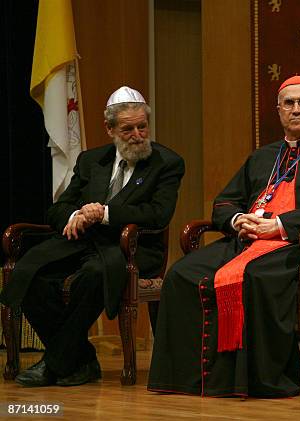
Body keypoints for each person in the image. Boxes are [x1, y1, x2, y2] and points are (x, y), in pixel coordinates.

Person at [147, 75, 300, 397]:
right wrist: (239, 220)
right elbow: (225, 201)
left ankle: (255, 380)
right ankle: (190, 379)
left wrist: (281, 225)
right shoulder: (262, 157)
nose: (296, 109)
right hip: (247, 242)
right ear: (278, 110)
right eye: (288, 103)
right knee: (182, 273)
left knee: (256, 276)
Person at [0, 86, 185, 387]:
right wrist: (75, 216)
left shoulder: (166, 163)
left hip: (131, 248)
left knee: (94, 273)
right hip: (83, 244)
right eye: (128, 129)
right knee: (29, 272)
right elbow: (59, 208)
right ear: (109, 129)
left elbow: (157, 214)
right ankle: (80, 360)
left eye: (142, 126)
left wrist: (105, 213)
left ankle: (53, 363)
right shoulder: (91, 160)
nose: (138, 134)